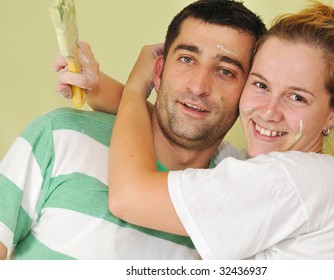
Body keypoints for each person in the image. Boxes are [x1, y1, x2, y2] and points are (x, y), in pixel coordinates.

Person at [106, 2, 334, 259]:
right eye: (261, 85)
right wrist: (99, 90)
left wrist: (135, 86)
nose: (268, 112)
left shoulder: (290, 180)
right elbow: (181, 120)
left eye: (297, 97)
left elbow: (129, 197)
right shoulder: (321, 182)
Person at [0, 0, 266, 259]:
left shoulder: (238, 193)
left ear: (250, 94)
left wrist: (131, 90)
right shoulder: (61, 137)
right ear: (158, 72)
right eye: (187, 59)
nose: (198, 87)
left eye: (226, 72)